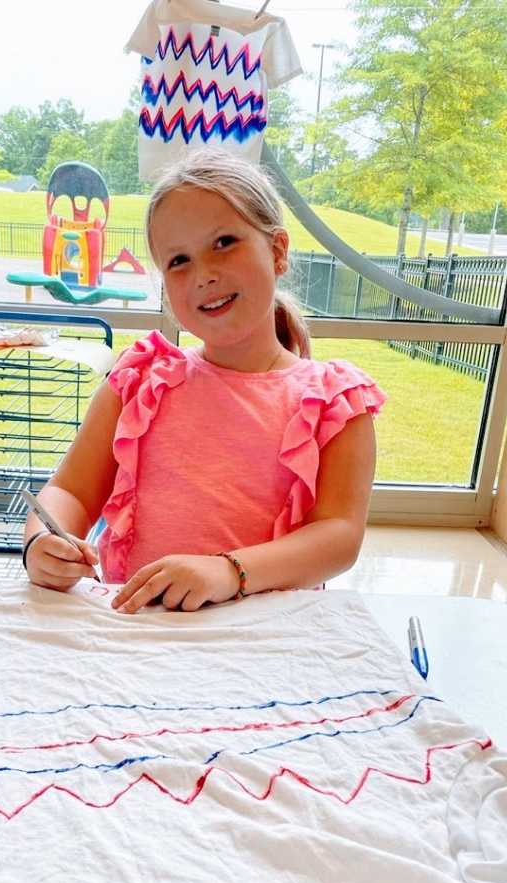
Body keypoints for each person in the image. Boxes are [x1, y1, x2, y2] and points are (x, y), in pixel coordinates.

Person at [23, 149, 385, 614]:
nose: (204, 275)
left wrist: (226, 571)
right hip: (141, 633)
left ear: (277, 251)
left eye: (224, 242)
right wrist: (39, 544)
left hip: (262, 639)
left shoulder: (335, 403)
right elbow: (70, 491)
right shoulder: (138, 382)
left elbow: (338, 537)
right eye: (178, 261)